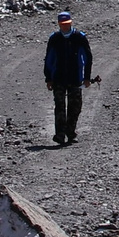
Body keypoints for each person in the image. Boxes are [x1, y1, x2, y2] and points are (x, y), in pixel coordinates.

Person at [44, 11, 92, 146]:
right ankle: (60, 135)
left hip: (75, 78)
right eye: (62, 24)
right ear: (59, 24)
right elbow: (48, 59)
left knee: (75, 107)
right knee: (60, 107)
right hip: (58, 78)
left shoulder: (79, 37)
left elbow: (88, 58)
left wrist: (86, 77)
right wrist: (48, 78)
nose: (65, 26)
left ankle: (71, 133)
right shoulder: (54, 39)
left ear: (71, 23)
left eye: (67, 24)